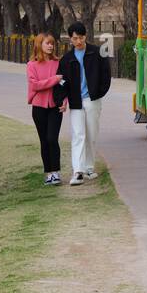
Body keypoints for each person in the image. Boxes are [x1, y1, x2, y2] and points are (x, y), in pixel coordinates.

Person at [58, 21, 111, 186]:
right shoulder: (66, 59)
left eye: (81, 38)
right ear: (70, 39)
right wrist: (62, 99)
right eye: (75, 38)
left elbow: (106, 75)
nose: (78, 41)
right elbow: (61, 81)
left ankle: (89, 167)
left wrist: (98, 93)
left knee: (91, 134)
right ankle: (78, 171)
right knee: (78, 135)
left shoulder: (97, 53)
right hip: (75, 101)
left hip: (92, 100)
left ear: (85, 36)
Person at [27, 33, 67, 186]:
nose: (50, 46)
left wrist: (65, 101)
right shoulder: (32, 65)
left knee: (52, 138)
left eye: (52, 43)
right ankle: (48, 173)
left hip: (55, 107)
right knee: (44, 141)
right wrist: (54, 80)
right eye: (47, 43)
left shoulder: (58, 63)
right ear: (39, 45)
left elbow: (64, 84)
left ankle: (56, 173)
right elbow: (35, 85)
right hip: (38, 107)